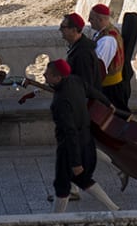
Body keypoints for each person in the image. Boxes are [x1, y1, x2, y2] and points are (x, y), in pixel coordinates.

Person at [45, 59, 120, 212]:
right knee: (82, 180)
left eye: (47, 74)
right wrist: (108, 103)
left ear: (57, 78)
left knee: (62, 185)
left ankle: (55, 219)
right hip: (87, 140)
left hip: (70, 148)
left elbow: (69, 132)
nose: (44, 75)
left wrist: (75, 162)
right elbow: (92, 91)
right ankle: (114, 209)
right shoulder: (75, 80)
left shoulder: (60, 102)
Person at [88, 3, 131, 113]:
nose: (88, 20)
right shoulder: (108, 32)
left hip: (110, 89)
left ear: (100, 19)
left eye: (91, 18)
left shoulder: (107, 40)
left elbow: (99, 67)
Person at [60, 13, 100, 95]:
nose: (60, 30)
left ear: (74, 30)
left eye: (63, 27)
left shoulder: (83, 53)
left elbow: (84, 83)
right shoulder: (79, 47)